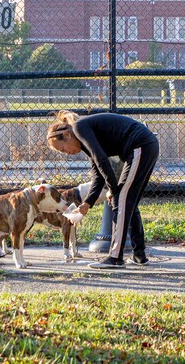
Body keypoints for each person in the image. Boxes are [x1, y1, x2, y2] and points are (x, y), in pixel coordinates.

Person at [46, 110, 159, 269]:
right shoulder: (85, 140)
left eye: (64, 149)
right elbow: (98, 175)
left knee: (120, 201)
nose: (68, 154)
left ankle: (115, 257)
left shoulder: (79, 128)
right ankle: (139, 256)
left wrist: (113, 189)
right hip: (143, 146)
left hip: (139, 146)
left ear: (67, 134)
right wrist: (87, 204)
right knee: (128, 203)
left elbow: (102, 160)